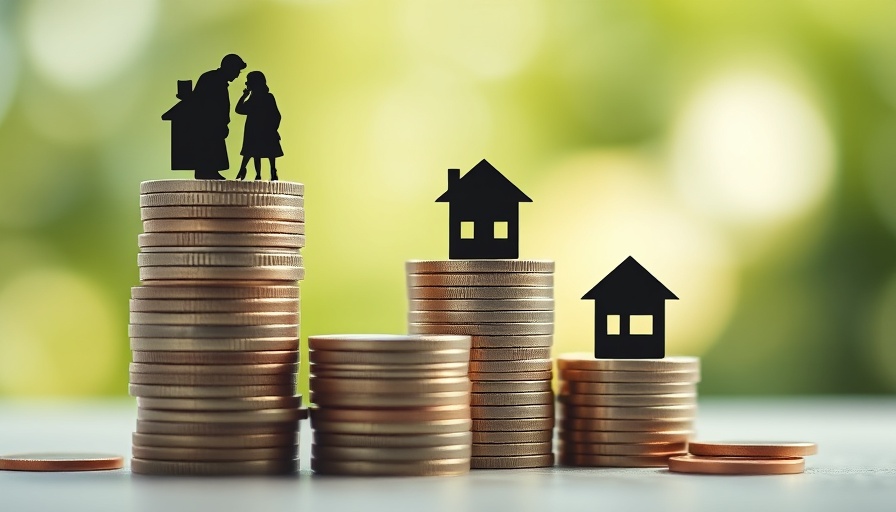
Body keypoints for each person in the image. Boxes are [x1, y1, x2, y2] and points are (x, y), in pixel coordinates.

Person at [190, 54, 247, 180]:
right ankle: (207, 171)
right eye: (237, 71)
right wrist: (220, 123)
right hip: (209, 125)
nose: (237, 75)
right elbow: (210, 106)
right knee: (209, 146)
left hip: (213, 124)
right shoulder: (213, 80)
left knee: (212, 148)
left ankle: (209, 170)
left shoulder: (212, 79)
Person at [235, 71, 283, 181]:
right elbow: (239, 110)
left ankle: (272, 170)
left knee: (263, 151)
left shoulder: (266, 98)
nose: (246, 84)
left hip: (262, 130)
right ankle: (258, 174)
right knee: (255, 152)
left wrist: (273, 128)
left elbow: (277, 115)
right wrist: (244, 96)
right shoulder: (254, 99)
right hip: (255, 130)